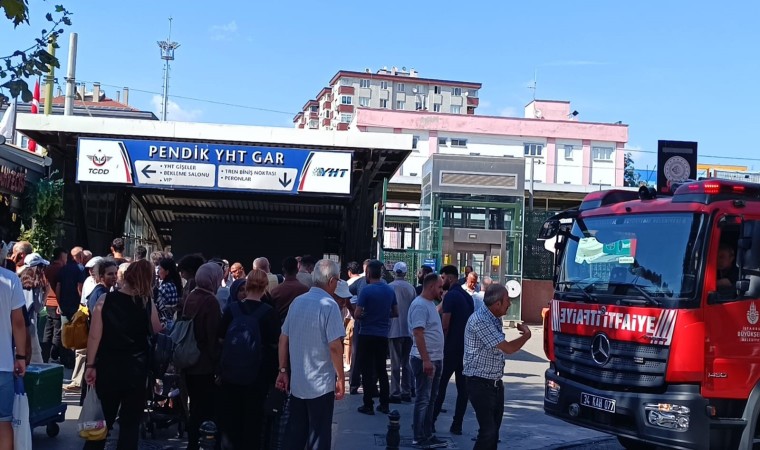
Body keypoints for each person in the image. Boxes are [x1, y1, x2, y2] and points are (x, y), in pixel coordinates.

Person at [83, 259, 162, 450]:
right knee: (130, 424)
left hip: (108, 367)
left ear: (125, 277)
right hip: (136, 369)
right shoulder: (146, 302)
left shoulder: (105, 300)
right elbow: (157, 329)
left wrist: (90, 365)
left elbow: (94, 337)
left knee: (103, 421)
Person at [276, 259, 345, 450]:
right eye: (338, 280)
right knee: (319, 436)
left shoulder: (298, 302)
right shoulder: (329, 305)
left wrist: (282, 369)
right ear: (331, 281)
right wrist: (340, 377)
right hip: (321, 384)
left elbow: (283, 338)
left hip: (299, 381)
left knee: (295, 434)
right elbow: (335, 346)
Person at [218, 269, 280, 449]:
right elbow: (275, 344)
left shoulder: (232, 309)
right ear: (265, 286)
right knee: (253, 421)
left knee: (230, 421)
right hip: (257, 374)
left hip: (230, 372)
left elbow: (220, 338)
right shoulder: (269, 312)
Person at [463, 284, 531, 450]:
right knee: (488, 431)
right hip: (479, 383)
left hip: (493, 384)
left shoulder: (494, 318)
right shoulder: (481, 320)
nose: (510, 304)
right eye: (507, 300)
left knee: (493, 433)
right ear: (497, 304)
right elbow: (508, 348)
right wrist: (527, 335)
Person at [181, 262, 223, 450]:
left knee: (194, 405)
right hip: (204, 362)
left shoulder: (191, 296)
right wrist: (218, 363)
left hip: (188, 360)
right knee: (206, 408)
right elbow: (212, 334)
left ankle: (191, 442)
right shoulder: (211, 301)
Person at [354, 260, 398, 415]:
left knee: (366, 369)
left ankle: (368, 404)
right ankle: (384, 404)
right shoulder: (389, 291)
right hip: (382, 335)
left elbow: (357, 314)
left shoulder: (366, 291)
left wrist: (367, 315)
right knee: (381, 370)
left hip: (366, 333)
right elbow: (395, 312)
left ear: (368, 273)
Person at [409, 273, 447, 449]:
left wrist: (442, 302)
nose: (442, 289)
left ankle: (427, 433)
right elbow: (418, 333)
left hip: (435, 358)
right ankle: (418, 437)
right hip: (425, 359)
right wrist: (426, 360)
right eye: (440, 287)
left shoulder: (429, 304)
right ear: (431, 286)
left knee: (431, 398)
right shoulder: (419, 306)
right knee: (423, 399)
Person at [0, 263, 27, 450]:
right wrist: (21, 356)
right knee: (4, 422)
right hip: (3, 364)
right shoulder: (10, 279)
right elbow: (18, 323)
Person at [388, 261, 416, 404]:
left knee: (395, 363)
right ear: (405, 273)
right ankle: (407, 390)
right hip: (408, 329)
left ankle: (395, 391)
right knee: (406, 363)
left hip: (393, 329)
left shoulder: (389, 287)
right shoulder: (411, 288)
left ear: (394, 272)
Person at [20, 253, 49, 364]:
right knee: (36, 361)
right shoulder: (35, 284)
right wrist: (46, 292)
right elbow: (38, 308)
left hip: (16, 324)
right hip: (30, 325)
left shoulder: (18, 279)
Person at [42, 247, 66, 363]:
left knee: (48, 329)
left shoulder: (48, 269)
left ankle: (45, 354)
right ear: (62, 257)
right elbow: (59, 287)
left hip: (48, 302)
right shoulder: (61, 270)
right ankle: (54, 355)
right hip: (57, 303)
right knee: (57, 330)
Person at [269, 257, 309, 324]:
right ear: (297, 270)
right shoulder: (305, 290)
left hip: (280, 329)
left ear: (283, 269)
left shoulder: (275, 291)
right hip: (299, 326)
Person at [156, 258, 183, 330]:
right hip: (171, 322)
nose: (158, 271)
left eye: (160, 269)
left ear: (167, 272)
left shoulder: (165, 287)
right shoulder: (173, 284)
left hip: (164, 324)